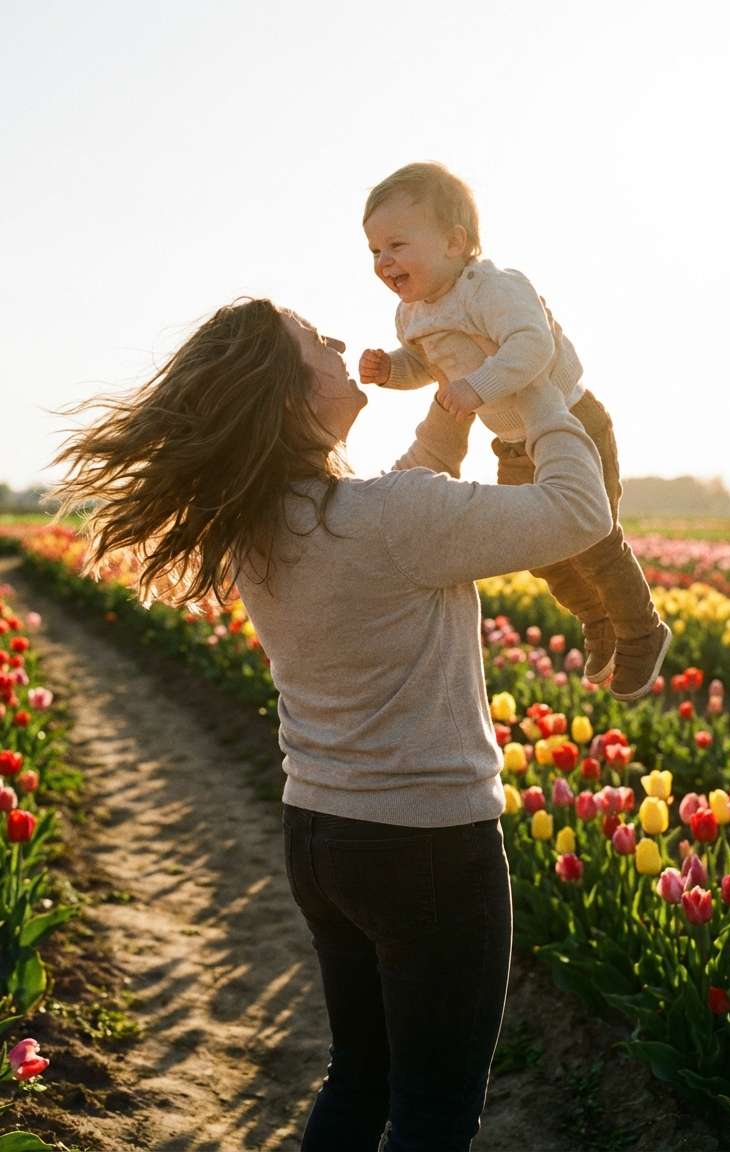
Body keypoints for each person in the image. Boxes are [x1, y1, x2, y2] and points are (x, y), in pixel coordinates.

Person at [48, 297, 613, 1152]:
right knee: (433, 1114)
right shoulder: (391, 518)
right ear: (285, 397)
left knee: (361, 1078)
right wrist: (541, 396)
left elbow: (400, 506)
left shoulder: (269, 519)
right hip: (429, 846)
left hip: (324, 836)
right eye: (316, 342)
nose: (342, 342)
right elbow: (579, 514)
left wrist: (452, 403)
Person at [360, 161, 670, 701]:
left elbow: (533, 346)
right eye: (374, 251)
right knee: (540, 550)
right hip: (511, 443)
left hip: (573, 426)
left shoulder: (494, 289)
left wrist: (478, 386)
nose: (384, 262)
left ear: (456, 242)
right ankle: (596, 615)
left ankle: (642, 631)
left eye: (397, 245)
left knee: (593, 539)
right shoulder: (410, 317)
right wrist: (391, 370)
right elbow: (427, 365)